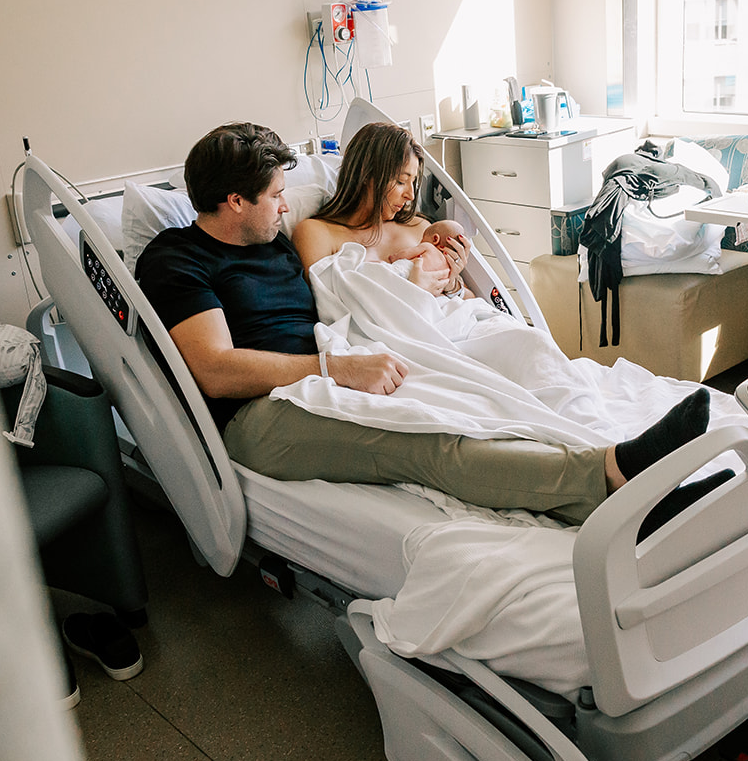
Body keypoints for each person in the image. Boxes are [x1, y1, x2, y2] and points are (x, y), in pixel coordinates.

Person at [133, 121, 713, 525]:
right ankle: (610, 478)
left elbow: (348, 294)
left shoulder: (273, 244)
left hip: (333, 366)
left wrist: (420, 286)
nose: (287, 207)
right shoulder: (177, 259)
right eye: (276, 195)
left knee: (477, 402)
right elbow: (213, 370)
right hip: (262, 415)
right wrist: (339, 367)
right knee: (430, 439)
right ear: (234, 201)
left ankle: (628, 469)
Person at [292, 123, 470, 298]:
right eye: (401, 181)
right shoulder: (316, 234)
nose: (411, 196)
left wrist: (452, 284)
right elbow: (327, 306)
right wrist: (409, 294)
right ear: (366, 174)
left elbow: (471, 301)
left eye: (413, 182)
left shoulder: (420, 228)